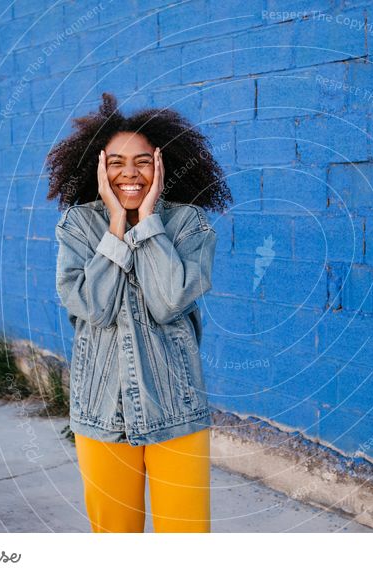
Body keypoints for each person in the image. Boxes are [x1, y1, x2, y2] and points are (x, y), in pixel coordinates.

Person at [46, 92, 232, 532]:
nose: (129, 173)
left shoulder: (189, 225)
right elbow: (92, 306)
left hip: (177, 410)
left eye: (143, 161)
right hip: (99, 411)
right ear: (98, 168)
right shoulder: (78, 227)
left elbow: (170, 302)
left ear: (161, 166)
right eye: (116, 162)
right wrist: (114, 225)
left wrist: (147, 222)